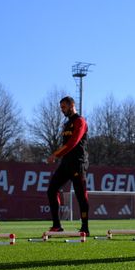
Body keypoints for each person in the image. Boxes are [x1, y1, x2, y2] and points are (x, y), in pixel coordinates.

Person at [45, 96, 90, 235]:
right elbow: (65, 144)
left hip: (78, 164)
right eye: (61, 108)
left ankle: (85, 227)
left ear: (71, 105)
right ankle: (57, 225)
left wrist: (55, 155)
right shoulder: (66, 124)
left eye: (64, 107)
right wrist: (59, 156)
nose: (62, 110)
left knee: (80, 194)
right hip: (66, 164)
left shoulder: (80, 121)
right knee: (52, 190)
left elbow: (73, 143)